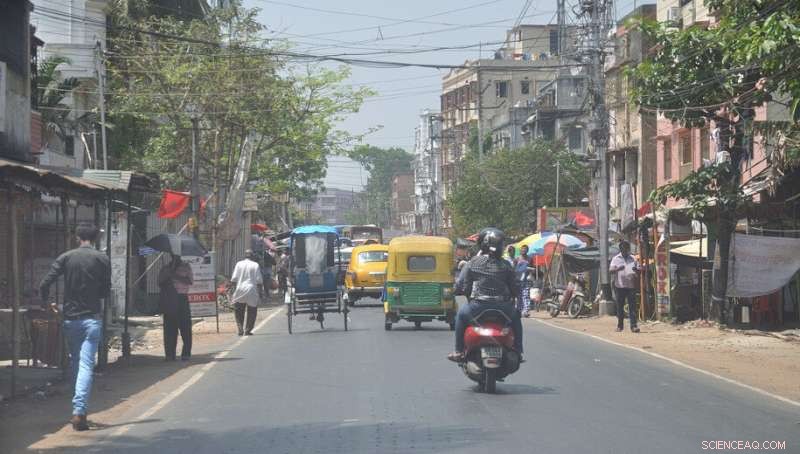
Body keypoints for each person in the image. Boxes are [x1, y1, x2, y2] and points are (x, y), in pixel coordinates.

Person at [39, 224, 111, 431]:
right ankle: (79, 411)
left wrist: (48, 303)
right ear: (95, 238)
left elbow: (44, 284)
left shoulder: (66, 257)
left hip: (70, 320)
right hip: (91, 319)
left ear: (77, 237)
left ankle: (78, 408)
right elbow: (105, 292)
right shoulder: (102, 259)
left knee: (76, 363)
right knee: (86, 365)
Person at [448, 228, 523, 362]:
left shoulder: (473, 262)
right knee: (516, 318)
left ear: (482, 245)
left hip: (478, 307)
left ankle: (458, 351)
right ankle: (518, 350)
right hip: (503, 308)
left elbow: (462, 286)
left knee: (460, 315)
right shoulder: (506, 265)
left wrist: (458, 291)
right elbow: (515, 288)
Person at [158, 254, 194, 360]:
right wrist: (167, 275)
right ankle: (170, 354)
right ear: (171, 256)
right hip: (169, 299)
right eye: (174, 256)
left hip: (182, 298)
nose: (176, 258)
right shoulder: (165, 268)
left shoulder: (186, 267)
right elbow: (159, 282)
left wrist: (175, 275)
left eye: (178, 256)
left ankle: (186, 353)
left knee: (185, 327)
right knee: (170, 328)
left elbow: (190, 281)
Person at [609, 240, 640, 333]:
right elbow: (610, 271)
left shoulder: (633, 258)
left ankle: (633, 326)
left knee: (632, 307)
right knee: (620, 307)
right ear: (621, 249)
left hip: (631, 286)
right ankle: (620, 326)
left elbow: (638, 270)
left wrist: (636, 270)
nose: (626, 251)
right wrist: (618, 269)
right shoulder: (616, 259)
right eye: (624, 249)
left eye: (627, 249)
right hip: (619, 286)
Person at [231, 250, 264, 335]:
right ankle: (248, 330)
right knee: (252, 311)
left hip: (240, 289)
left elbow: (234, 279)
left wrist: (234, 292)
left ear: (245, 256)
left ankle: (240, 329)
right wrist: (260, 294)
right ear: (252, 256)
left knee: (238, 311)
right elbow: (259, 281)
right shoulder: (255, 265)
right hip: (251, 289)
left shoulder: (239, 264)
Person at [514, 245, 532, 317]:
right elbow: (513, 268)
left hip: (526, 279)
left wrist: (530, 273)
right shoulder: (517, 259)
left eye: (525, 249)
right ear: (520, 251)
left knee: (526, 295)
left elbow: (532, 268)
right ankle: (519, 310)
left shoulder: (530, 259)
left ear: (527, 251)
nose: (524, 251)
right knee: (519, 296)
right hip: (518, 280)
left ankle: (526, 311)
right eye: (522, 249)